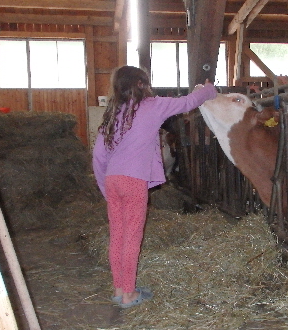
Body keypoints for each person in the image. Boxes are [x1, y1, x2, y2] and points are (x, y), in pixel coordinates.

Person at [92, 65, 217, 309]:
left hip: (112, 180)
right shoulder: (154, 105)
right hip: (133, 181)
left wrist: (105, 189)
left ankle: (119, 289)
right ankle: (129, 295)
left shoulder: (113, 114)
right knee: (132, 237)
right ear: (140, 84)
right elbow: (189, 101)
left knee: (117, 235)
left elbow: (98, 156)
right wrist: (209, 89)